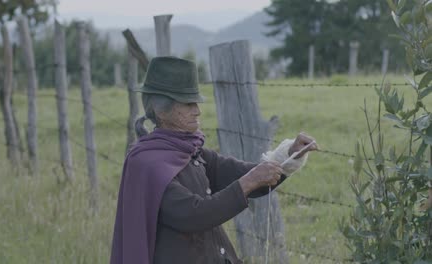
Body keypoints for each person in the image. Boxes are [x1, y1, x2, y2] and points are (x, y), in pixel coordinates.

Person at [110, 56, 318, 264]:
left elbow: (250, 177)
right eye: (188, 103)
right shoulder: (147, 165)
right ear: (161, 110)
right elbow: (193, 214)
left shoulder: (192, 152)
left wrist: (289, 155)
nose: (197, 111)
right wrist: (249, 181)